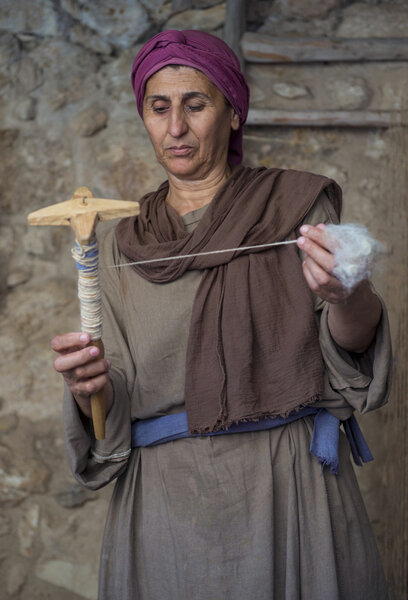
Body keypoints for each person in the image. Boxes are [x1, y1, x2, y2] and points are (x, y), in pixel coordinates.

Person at [52, 30, 392, 600]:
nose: (176, 128)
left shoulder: (297, 208)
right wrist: (89, 385)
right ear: (144, 116)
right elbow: (115, 399)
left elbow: (350, 356)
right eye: (159, 108)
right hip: (166, 499)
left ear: (233, 113)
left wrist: (347, 295)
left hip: (287, 484)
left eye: (196, 104)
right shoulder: (115, 244)